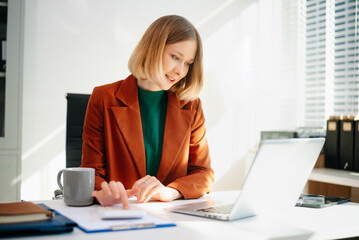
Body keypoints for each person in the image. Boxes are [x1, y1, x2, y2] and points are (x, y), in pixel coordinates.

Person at [80, 15, 214, 208]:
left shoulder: (191, 105)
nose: (180, 71)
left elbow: (204, 173)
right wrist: (103, 191)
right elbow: (91, 171)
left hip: (172, 218)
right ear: (153, 49)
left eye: (188, 63)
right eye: (175, 57)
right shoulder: (103, 97)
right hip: (120, 214)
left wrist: (171, 192)